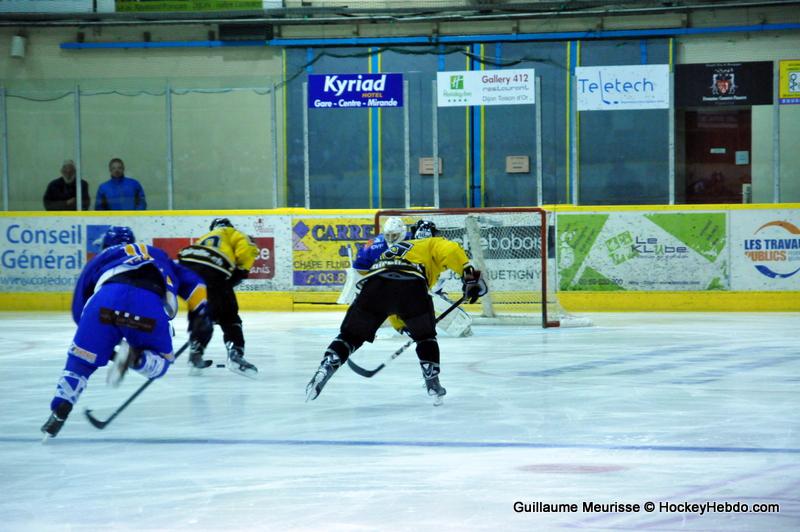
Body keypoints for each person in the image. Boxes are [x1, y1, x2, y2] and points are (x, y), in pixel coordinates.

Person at [40, 226, 212, 439]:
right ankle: (138, 359)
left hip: (105, 302)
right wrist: (201, 314)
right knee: (161, 363)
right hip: (147, 308)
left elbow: (79, 310)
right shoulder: (157, 254)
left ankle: (61, 408)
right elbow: (195, 285)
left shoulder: (102, 256)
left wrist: (98, 342)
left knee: (81, 362)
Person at [306, 219, 488, 406]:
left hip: (374, 284)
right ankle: (432, 382)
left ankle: (328, 364)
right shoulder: (432, 242)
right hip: (411, 284)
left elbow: (392, 307)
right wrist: (469, 277)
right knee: (426, 338)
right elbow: (451, 250)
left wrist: (403, 326)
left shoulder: (395, 249)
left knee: (350, 336)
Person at [177, 218, 260, 378]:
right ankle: (235, 354)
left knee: (203, 313)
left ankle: (196, 350)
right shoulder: (233, 233)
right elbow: (247, 250)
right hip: (212, 270)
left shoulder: (204, 239)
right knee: (229, 316)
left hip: (187, 268)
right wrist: (241, 270)